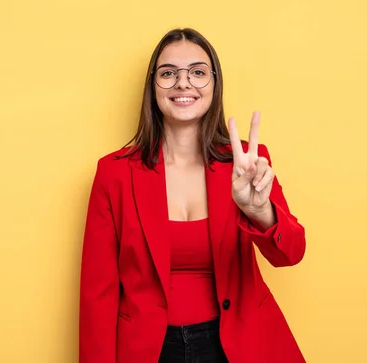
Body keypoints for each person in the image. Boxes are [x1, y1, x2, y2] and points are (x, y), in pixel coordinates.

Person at [79, 28, 307, 363]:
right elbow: (97, 294)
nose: (183, 83)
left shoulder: (245, 162)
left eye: (198, 72)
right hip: (149, 349)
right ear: (152, 86)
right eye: (168, 73)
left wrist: (259, 211)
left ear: (214, 84)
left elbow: (292, 253)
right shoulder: (114, 173)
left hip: (237, 344)